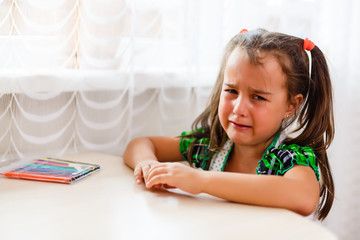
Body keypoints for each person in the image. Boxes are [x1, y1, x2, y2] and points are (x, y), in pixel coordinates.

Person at [123, 28, 335, 221]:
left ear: (291, 104)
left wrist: (200, 180)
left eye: (258, 97)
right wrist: (148, 165)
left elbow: (304, 197)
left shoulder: (288, 157)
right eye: (232, 91)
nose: (238, 109)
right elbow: (141, 144)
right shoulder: (209, 147)